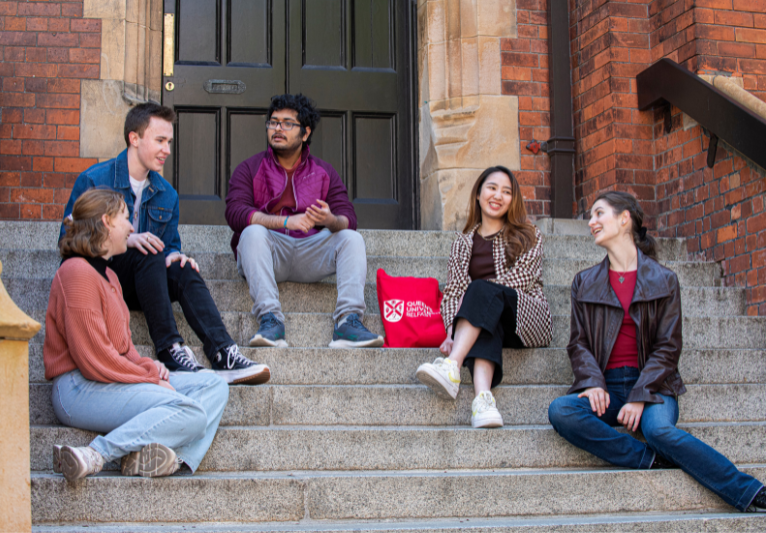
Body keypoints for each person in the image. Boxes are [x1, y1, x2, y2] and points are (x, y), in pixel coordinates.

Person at [547, 191, 766, 513]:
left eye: (598, 214)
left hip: (653, 385)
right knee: (561, 411)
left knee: (658, 429)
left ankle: (750, 492)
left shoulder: (664, 279)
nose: (591, 222)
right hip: (606, 386)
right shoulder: (585, 282)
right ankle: (649, 458)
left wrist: (640, 393)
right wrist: (592, 382)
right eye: (590, 216)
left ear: (624, 220)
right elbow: (578, 343)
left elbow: (668, 347)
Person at [60, 103, 269, 384]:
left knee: (180, 265)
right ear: (134, 138)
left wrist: (176, 257)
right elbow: (68, 241)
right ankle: (170, 348)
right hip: (101, 279)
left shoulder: (166, 194)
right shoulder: (95, 180)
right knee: (148, 251)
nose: (167, 150)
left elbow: (169, 245)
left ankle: (224, 353)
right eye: (160, 140)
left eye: (169, 142)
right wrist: (128, 239)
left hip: (146, 283)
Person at [45, 189, 229, 482]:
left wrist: (147, 366)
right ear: (106, 222)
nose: (133, 227)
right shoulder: (76, 273)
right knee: (191, 412)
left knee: (214, 385)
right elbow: (95, 359)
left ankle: (159, 458)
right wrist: (149, 377)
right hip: (77, 388)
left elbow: (123, 348)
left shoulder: (111, 277)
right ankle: (96, 454)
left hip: (107, 378)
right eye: (126, 218)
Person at [225, 94, 383, 348]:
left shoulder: (324, 172)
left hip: (311, 253)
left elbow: (348, 218)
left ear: (305, 132)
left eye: (288, 123)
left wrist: (330, 219)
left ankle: (347, 322)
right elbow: (235, 213)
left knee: (351, 238)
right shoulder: (249, 168)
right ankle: (270, 321)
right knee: (251, 233)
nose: (278, 128)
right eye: (273, 122)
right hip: (270, 252)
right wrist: (286, 223)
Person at [415, 166, 553, 428]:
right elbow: (454, 291)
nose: (498, 195)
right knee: (485, 317)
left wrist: (477, 297)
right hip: (491, 321)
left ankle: (452, 365)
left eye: (506, 191)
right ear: (478, 193)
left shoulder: (529, 234)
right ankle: (483, 401)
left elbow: (522, 279)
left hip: (527, 316)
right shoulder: (463, 242)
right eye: (492, 188)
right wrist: (450, 332)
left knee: (480, 293)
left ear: (514, 200)